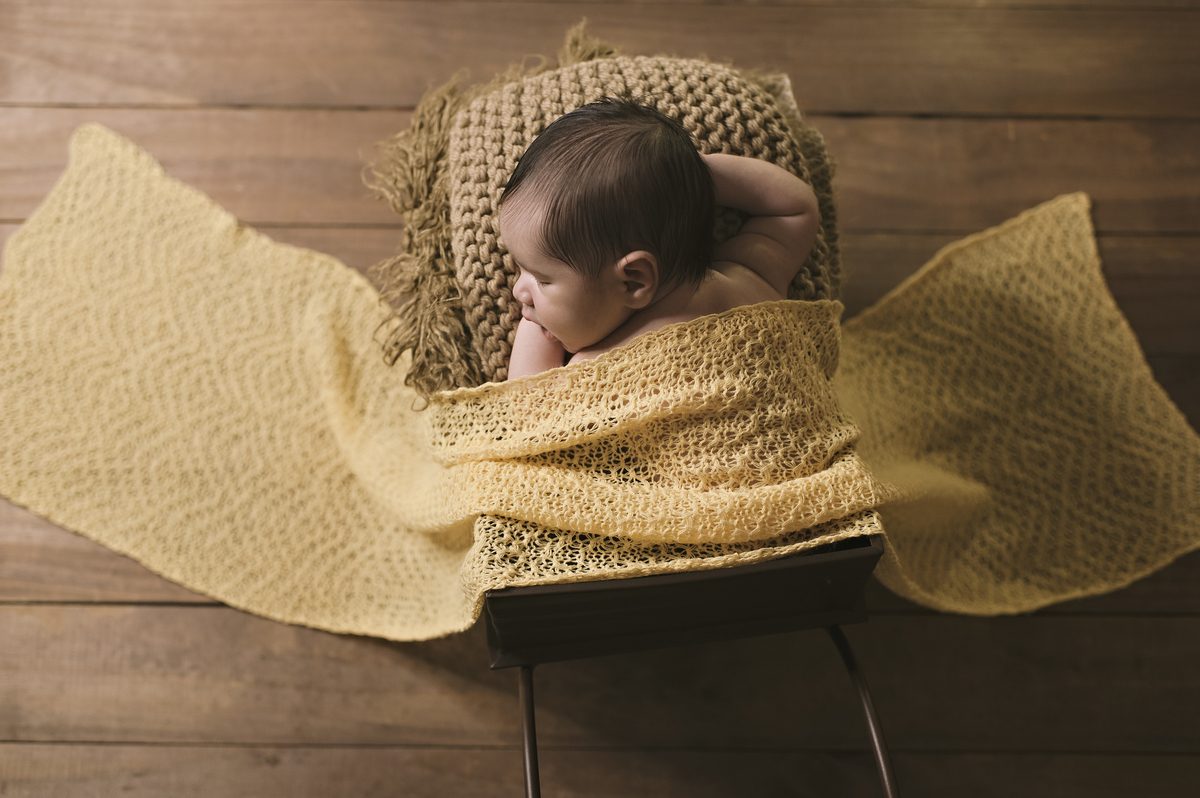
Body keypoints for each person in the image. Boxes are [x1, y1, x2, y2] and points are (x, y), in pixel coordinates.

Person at [500, 98, 820, 379]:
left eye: (541, 279)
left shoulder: (600, 370)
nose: (518, 292)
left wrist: (536, 328)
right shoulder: (749, 279)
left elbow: (530, 416)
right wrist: (689, 176)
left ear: (634, 281)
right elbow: (795, 208)